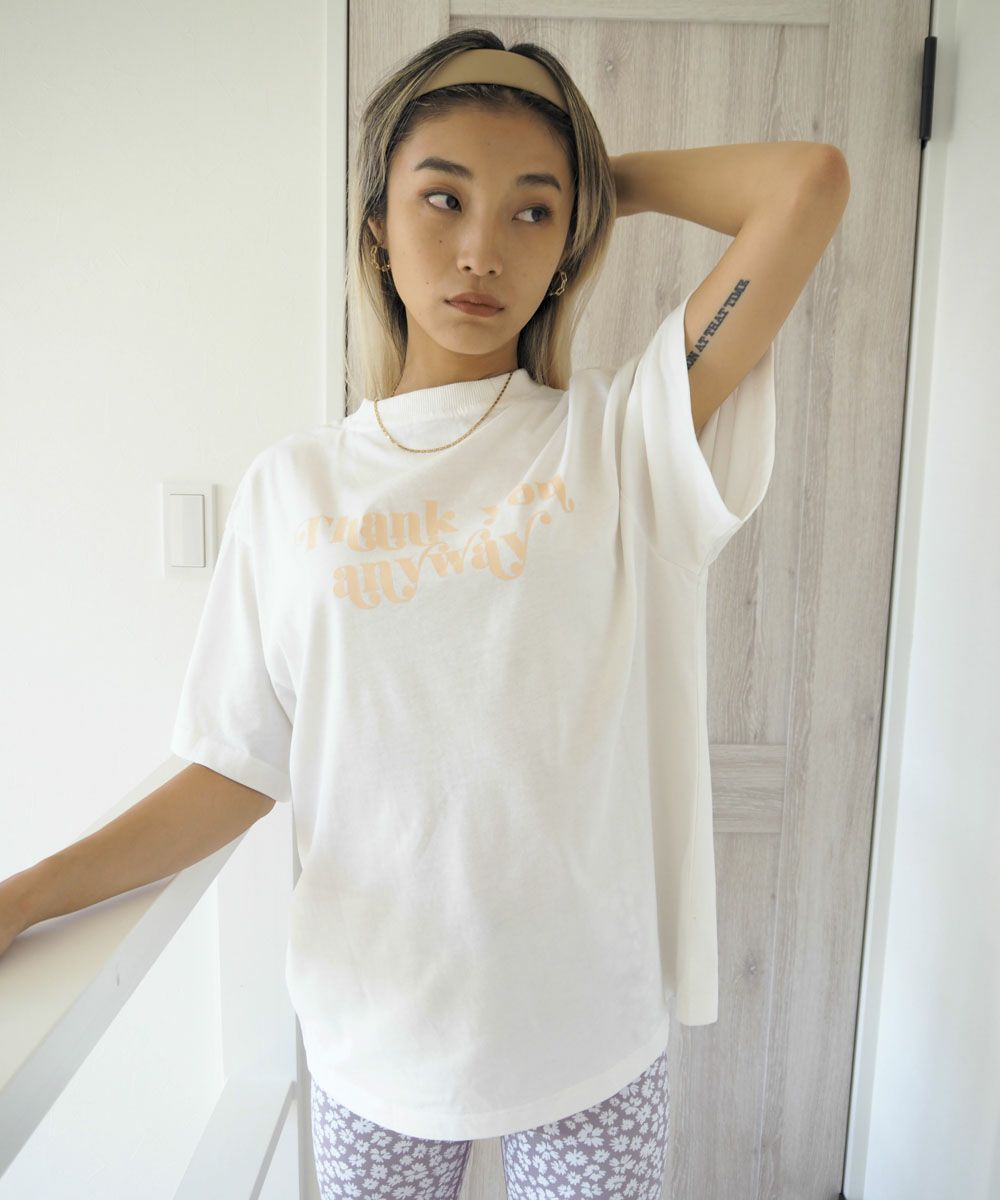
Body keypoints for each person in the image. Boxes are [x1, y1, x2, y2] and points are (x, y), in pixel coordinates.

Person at [2, 23, 840, 1200]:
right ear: (377, 229)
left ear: (569, 244)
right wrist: (26, 896)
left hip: (587, 1033)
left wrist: (600, 181)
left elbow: (805, 184)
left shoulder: (620, 440)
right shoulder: (292, 488)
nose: (482, 249)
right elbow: (236, 765)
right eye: (442, 199)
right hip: (373, 1032)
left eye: (531, 212)